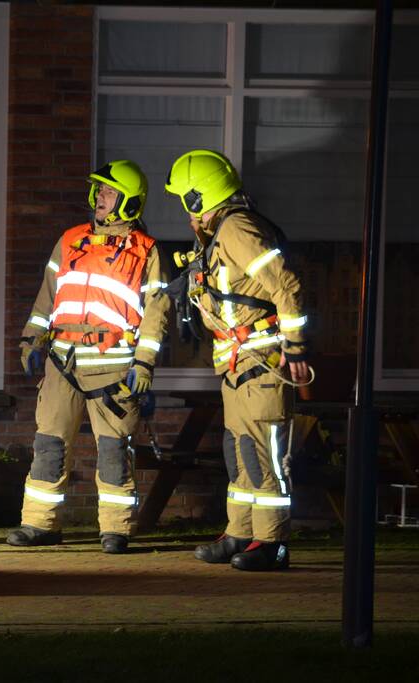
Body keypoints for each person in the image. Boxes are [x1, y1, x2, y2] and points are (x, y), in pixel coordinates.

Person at [8, 160, 170, 554]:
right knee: (49, 442)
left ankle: (116, 530)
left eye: (110, 192)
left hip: (114, 368)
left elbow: (157, 310)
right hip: (63, 361)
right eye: (99, 190)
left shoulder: (147, 251)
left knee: (114, 450)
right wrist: (31, 341)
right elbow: (47, 298)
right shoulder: (69, 240)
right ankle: (39, 524)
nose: (100, 197)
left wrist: (144, 362)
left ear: (130, 201)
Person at [164, 149, 310, 571]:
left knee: (264, 453)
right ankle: (241, 534)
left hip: (262, 359)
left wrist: (296, 346)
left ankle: (272, 543)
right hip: (238, 364)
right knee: (241, 452)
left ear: (198, 198)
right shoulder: (221, 233)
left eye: (184, 201)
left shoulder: (237, 229)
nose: (183, 211)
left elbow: (286, 285)